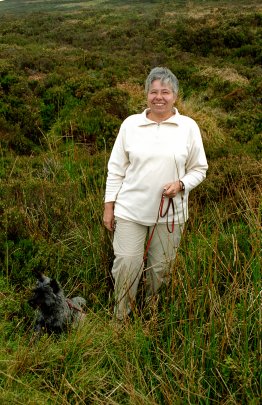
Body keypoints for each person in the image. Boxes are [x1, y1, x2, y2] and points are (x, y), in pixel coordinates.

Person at [103, 67, 208, 321]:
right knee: (127, 264)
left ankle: (152, 316)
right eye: (153, 92)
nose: (159, 97)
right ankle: (121, 318)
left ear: (175, 95)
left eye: (165, 92)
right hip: (130, 211)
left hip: (171, 216)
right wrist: (109, 206)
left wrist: (181, 184)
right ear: (146, 94)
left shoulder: (188, 127)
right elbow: (116, 169)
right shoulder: (131, 125)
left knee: (160, 270)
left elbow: (199, 169)